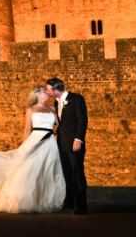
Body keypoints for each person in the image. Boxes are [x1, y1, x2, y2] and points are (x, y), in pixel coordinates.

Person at [0, 85, 66, 213]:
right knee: (30, 169)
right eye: (43, 92)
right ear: (37, 95)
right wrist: (24, 147)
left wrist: (55, 136)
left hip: (50, 143)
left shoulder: (52, 109)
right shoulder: (31, 110)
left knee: (47, 170)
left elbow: (59, 126)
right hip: (35, 139)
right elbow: (27, 129)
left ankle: (44, 200)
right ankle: (24, 200)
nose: (47, 93)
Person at [45, 77, 88, 215]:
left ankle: (81, 205)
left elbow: (83, 119)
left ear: (55, 89)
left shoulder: (76, 99)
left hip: (74, 143)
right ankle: (69, 202)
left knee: (77, 172)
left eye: (48, 89)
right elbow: (60, 124)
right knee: (66, 173)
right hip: (61, 144)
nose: (47, 91)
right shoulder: (56, 103)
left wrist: (79, 139)